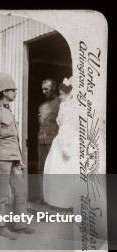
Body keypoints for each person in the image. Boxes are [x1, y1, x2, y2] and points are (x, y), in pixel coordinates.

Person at [0, 73, 34, 239]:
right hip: (1, 159)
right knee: (1, 193)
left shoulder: (9, 112)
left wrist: (19, 160)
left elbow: (14, 139)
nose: (15, 92)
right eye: (13, 90)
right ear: (4, 92)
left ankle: (19, 224)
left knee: (20, 191)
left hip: (13, 159)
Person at [43, 77, 78, 209]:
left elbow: (69, 125)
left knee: (68, 169)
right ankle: (59, 200)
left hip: (69, 138)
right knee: (56, 168)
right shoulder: (63, 105)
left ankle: (68, 201)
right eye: (60, 94)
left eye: (62, 94)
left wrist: (67, 144)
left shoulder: (73, 107)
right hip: (62, 137)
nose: (60, 96)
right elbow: (60, 123)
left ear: (69, 94)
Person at [37, 78, 60, 202]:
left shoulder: (61, 103)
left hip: (55, 142)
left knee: (54, 169)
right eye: (42, 89)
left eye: (46, 88)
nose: (43, 91)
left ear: (54, 88)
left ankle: (54, 198)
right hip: (41, 142)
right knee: (41, 169)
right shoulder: (42, 106)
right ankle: (43, 197)